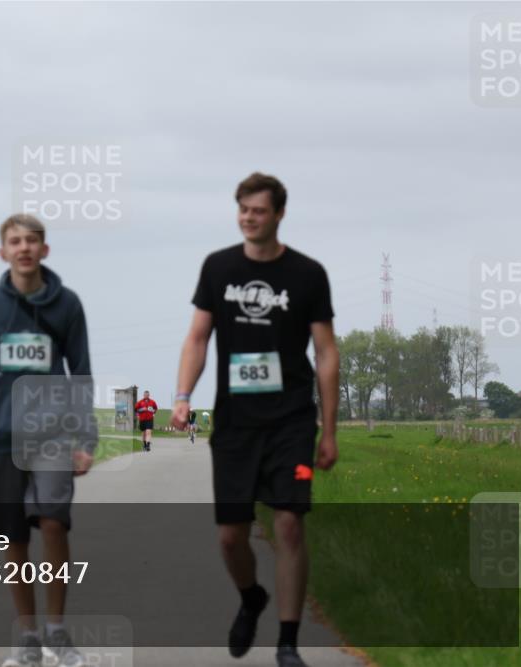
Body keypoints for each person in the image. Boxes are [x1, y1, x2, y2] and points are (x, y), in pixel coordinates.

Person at [170, 173, 339, 667]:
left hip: (291, 419)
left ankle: (287, 642)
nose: (249, 218)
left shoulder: (308, 275)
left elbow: (325, 353)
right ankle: (250, 597)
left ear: (279, 214)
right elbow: (198, 338)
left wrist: (328, 430)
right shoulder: (218, 268)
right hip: (236, 422)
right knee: (231, 534)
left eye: (258, 211)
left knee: (288, 525)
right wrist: (182, 395)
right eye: (243, 210)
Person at [0, 213, 96, 667]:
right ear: (3, 252)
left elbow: (81, 372)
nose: (24, 248)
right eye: (15, 241)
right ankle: (28, 638)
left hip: (53, 435)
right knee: (13, 538)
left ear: (45, 250)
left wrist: (84, 438)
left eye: (32, 240)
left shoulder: (67, 305)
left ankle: (57, 630)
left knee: (53, 523)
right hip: (2, 436)